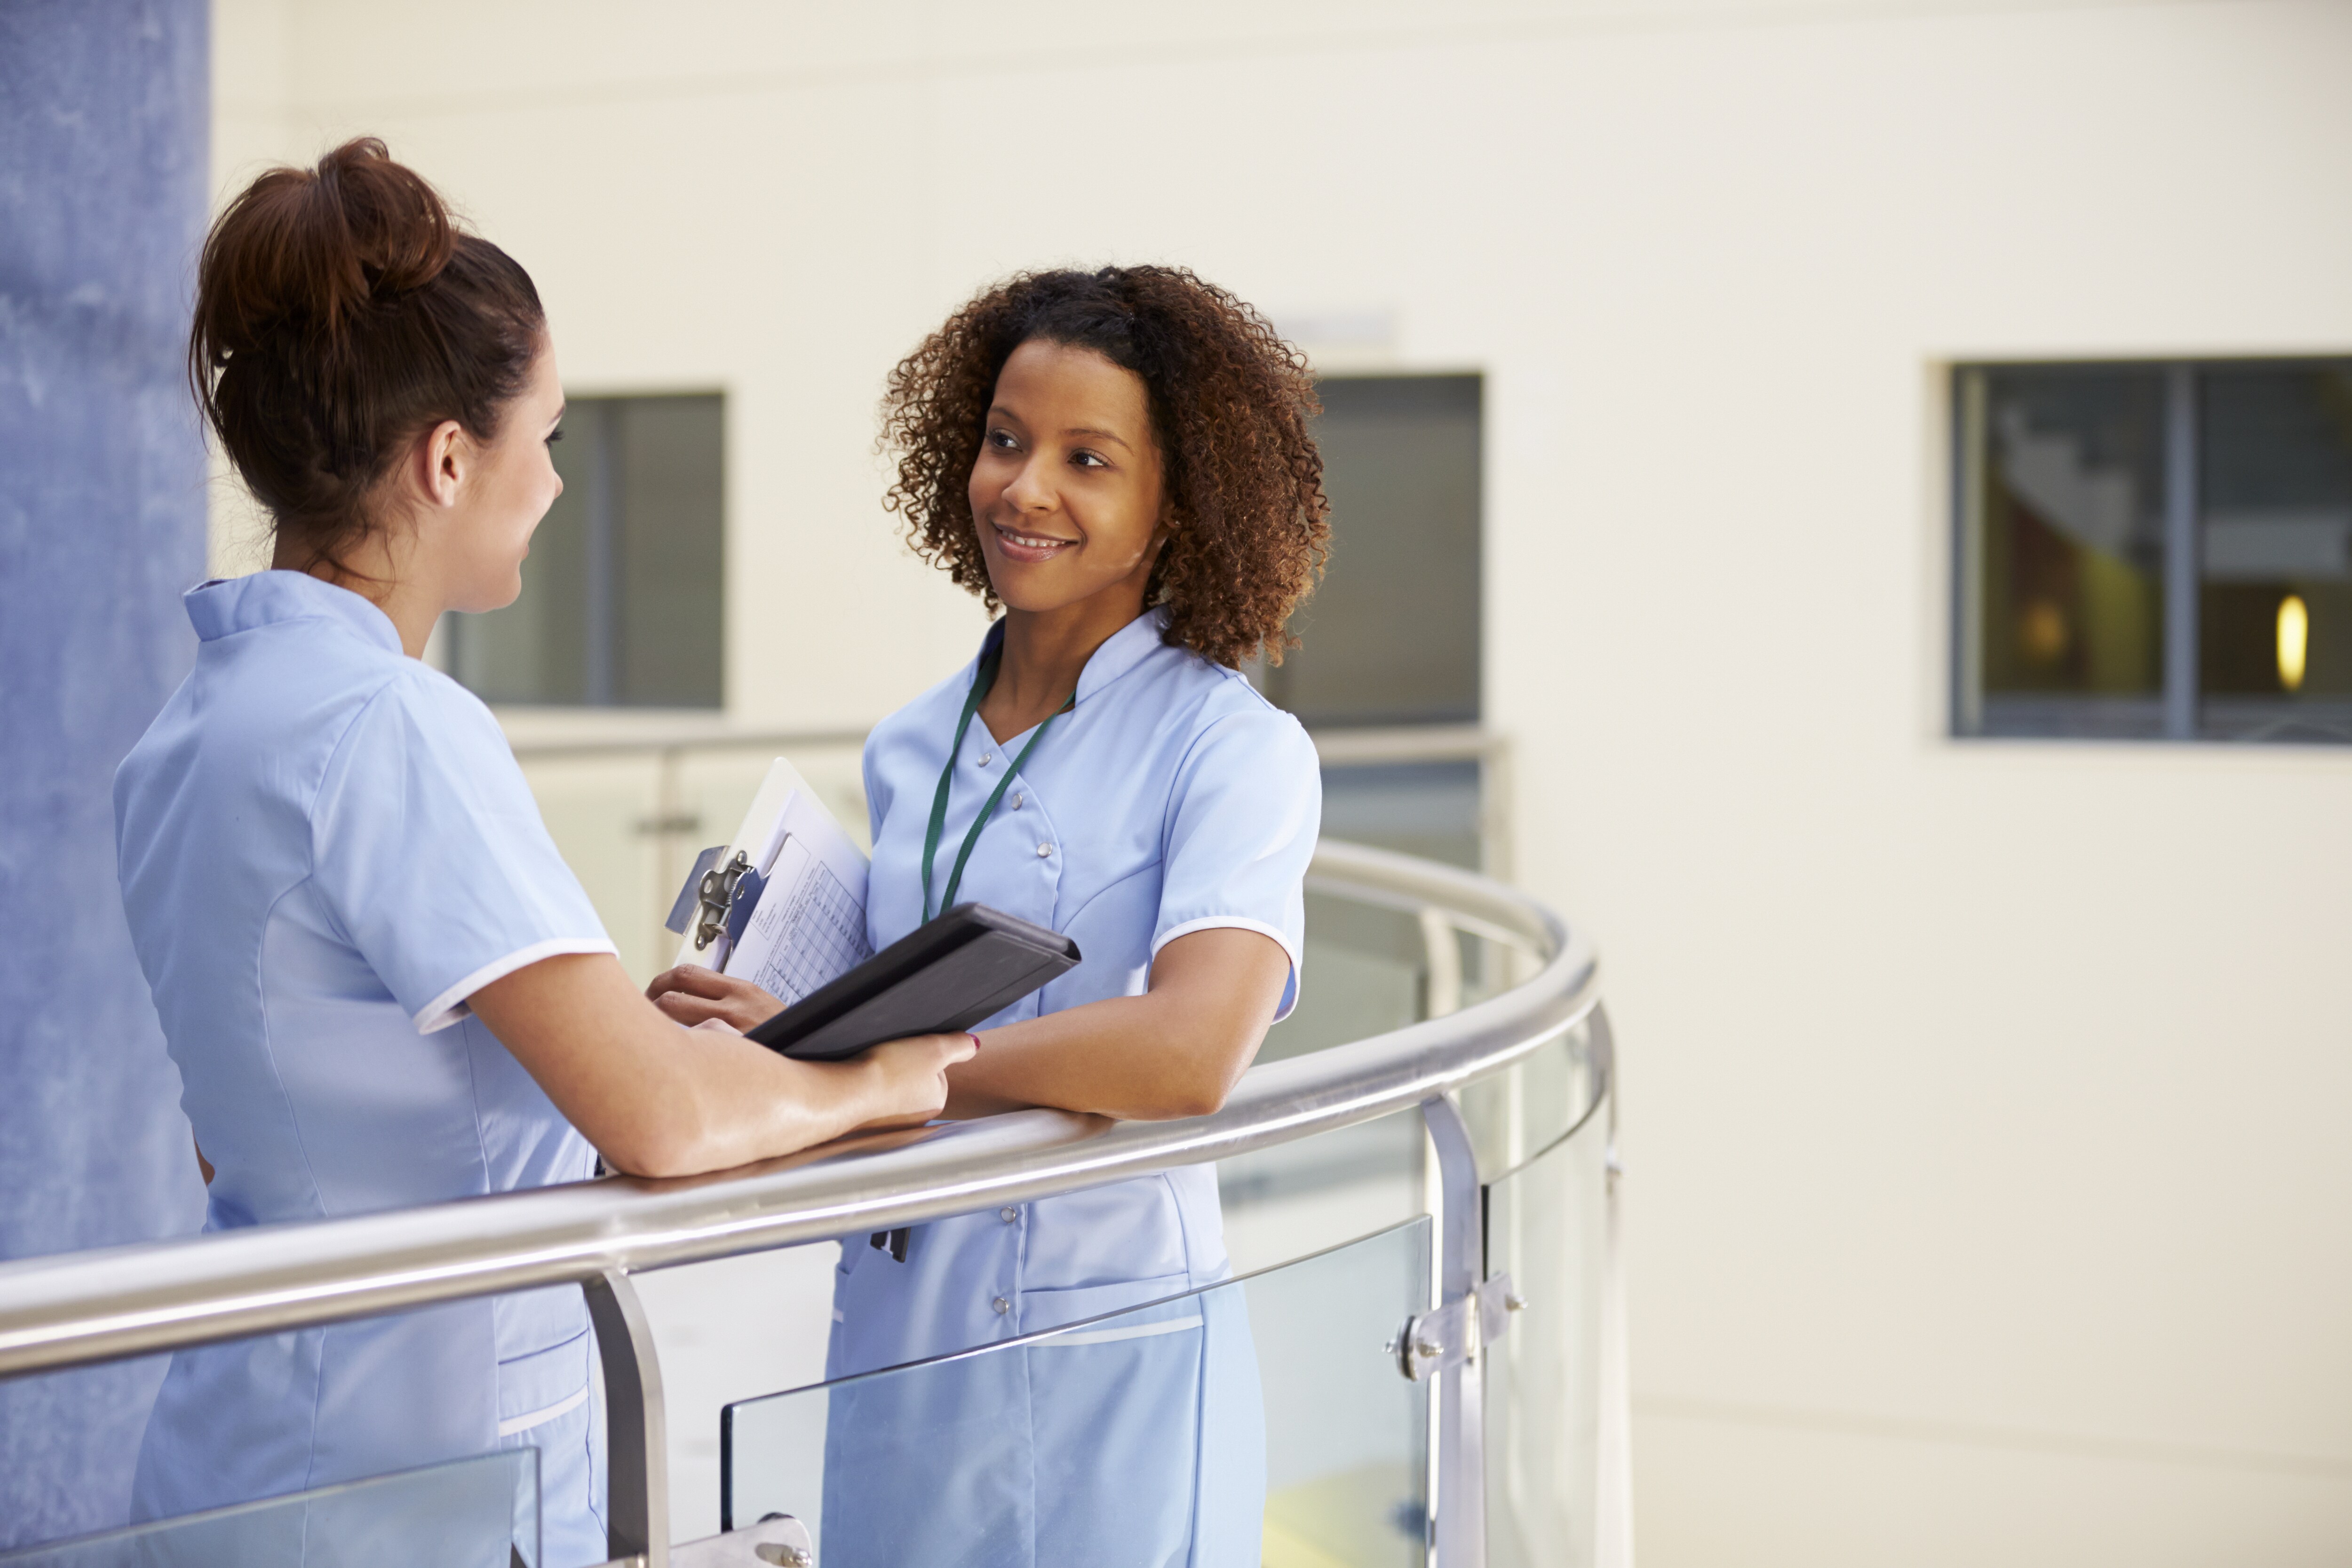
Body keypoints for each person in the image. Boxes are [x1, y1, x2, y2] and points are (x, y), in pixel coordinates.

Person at [112, 139, 972, 1567]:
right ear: (449, 460)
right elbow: (665, 1127)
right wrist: (888, 1077)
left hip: (234, 1471)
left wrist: (566, 1050)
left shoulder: (191, 731)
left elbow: (254, 1125)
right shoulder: (395, 728)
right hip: (416, 1498)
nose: (559, 484)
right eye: (550, 438)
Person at [648, 265, 1330, 1566]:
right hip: (904, 1328)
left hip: (1109, 1342)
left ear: (1176, 501)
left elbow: (1190, 1053)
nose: (1025, 488)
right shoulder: (912, 742)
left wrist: (888, 1077)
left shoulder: (1232, 748)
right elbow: (881, 1018)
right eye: (1006, 440)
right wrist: (789, 1039)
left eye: (1089, 459)